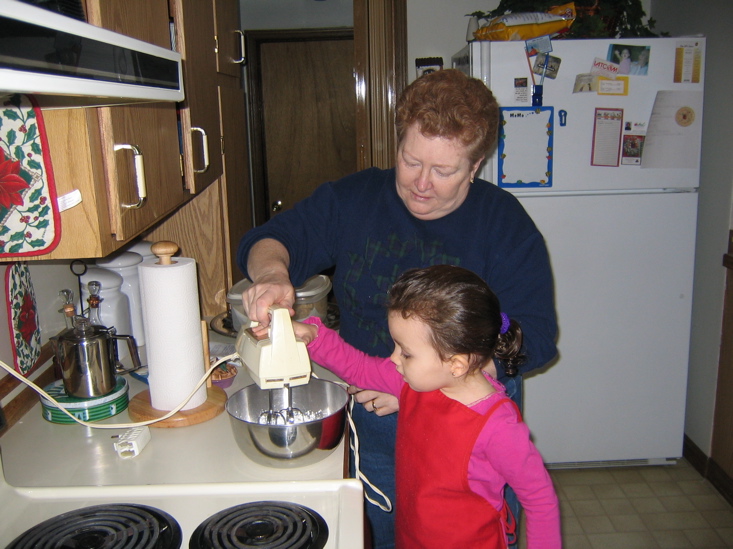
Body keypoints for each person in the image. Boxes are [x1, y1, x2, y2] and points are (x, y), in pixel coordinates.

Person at [236, 68, 558, 549]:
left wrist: (425, 388)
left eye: (444, 171)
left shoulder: (504, 223)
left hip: (469, 425)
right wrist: (271, 276)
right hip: (371, 415)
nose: (422, 183)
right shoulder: (355, 198)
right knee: (392, 533)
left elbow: (534, 336)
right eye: (411, 161)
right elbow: (272, 239)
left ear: (475, 166)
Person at [292, 265, 561, 548]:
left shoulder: (498, 427)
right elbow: (359, 367)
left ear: (456, 363)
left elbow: (540, 499)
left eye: (406, 352)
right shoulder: (413, 382)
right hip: (414, 536)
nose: (395, 359)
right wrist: (313, 336)